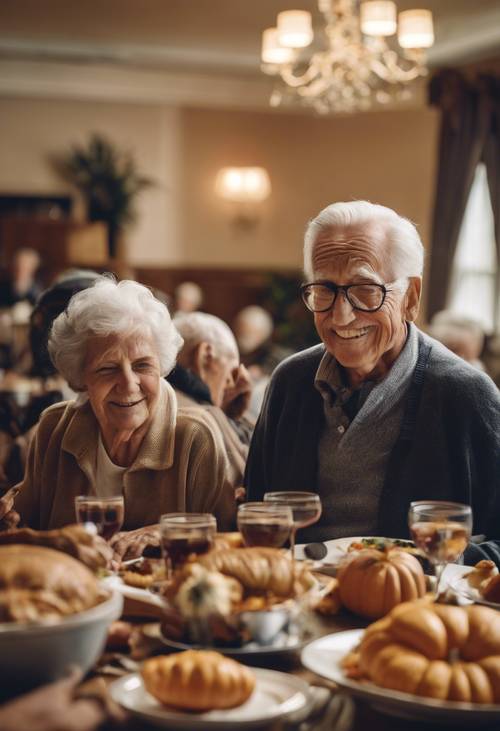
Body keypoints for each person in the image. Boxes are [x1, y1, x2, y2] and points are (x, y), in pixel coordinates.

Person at [245, 201, 500, 565]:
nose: (341, 315)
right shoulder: (291, 382)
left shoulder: (465, 395)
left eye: (365, 288)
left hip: (412, 608)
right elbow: (256, 516)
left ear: (410, 297)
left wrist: (426, 560)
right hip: (295, 598)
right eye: (325, 289)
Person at [12, 277, 235, 553]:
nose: (129, 384)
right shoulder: (53, 428)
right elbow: (22, 533)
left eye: (142, 365)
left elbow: (230, 540)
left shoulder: (194, 438)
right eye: (107, 369)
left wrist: (169, 532)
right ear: (80, 377)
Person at [168, 311, 253, 491]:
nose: (233, 383)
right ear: (205, 355)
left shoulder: (161, 399)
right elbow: (254, 484)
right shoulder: (204, 416)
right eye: (233, 371)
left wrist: (230, 415)